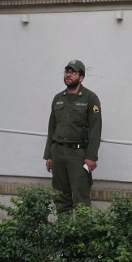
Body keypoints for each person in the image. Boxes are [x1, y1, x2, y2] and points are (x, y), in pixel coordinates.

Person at [43, 59, 102, 213]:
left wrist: (91, 156)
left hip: (78, 154)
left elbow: (96, 129)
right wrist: (49, 155)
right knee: (61, 198)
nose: (68, 75)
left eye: (73, 72)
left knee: (81, 199)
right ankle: (65, 233)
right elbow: (52, 128)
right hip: (58, 153)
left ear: (81, 77)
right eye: (67, 72)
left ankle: (81, 235)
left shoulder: (90, 98)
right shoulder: (58, 98)